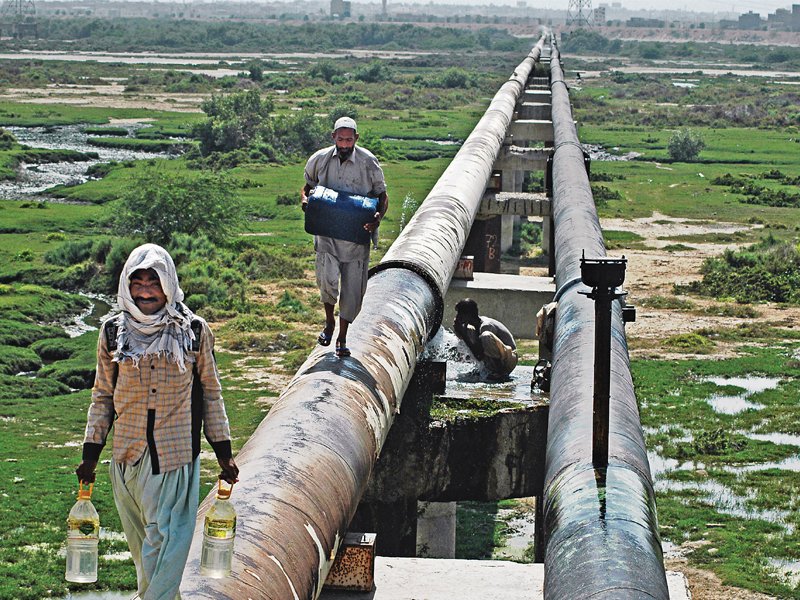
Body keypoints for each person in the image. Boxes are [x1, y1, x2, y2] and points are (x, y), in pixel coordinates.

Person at [75, 243, 239, 600]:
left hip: (174, 460)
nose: (146, 290)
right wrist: (90, 455)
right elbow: (102, 395)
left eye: (154, 280)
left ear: (168, 284)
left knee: (162, 544)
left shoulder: (193, 331)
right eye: (138, 281)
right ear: (126, 285)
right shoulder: (112, 333)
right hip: (126, 459)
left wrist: (223, 453)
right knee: (144, 553)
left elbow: (210, 393)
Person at [301, 116, 388, 358]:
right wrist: (305, 199)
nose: (345, 144)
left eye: (349, 140)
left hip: (355, 236)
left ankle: (342, 336)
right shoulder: (319, 159)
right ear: (333, 138)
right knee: (327, 282)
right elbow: (307, 186)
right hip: (327, 234)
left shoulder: (368, 162)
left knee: (352, 292)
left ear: (356, 139)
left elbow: (382, 195)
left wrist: (378, 218)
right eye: (341, 139)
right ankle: (329, 323)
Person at [453, 298, 518, 380]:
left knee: (485, 336)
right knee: (468, 333)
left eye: (459, 314)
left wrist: (464, 334)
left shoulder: (486, 326)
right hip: (496, 358)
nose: (457, 317)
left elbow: (479, 355)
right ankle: (486, 370)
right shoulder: (474, 325)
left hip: (509, 359)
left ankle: (499, 373)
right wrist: (459, 330)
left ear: (468, 315)